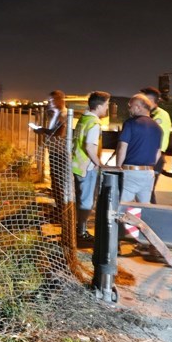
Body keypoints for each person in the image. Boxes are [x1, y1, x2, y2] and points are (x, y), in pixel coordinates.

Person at [71, 91, 110, 240]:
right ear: (99, 106)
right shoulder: (94, 123)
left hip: (78, 165)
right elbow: (89, 147)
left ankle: (79, 228)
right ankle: (81, 232)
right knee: (87, 201)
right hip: (86, 167)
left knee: (81, 199)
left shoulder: (83, 119)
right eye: (106, 105)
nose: (107, 109)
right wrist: (100, 164)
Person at [116, 93, 163, 203]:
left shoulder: (130, 124)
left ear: (137, 107)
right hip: (148, 174)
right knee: (144, 207)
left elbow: (122, 147)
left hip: (131, 172)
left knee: (123, 207)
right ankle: (139, 220)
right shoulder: (158, 128)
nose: (129, 109)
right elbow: (158, 153)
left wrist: (118, 167)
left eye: (130, 106)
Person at [34, 90, 68, 209]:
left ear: (60, 100)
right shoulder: (56, 114)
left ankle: (61, 210)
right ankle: (58, 207)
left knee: (59, 181)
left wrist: (42, 130)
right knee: (55, 181)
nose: (50, 103)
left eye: (52, 100)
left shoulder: (63, 115)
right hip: (55, 151)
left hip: (59, 153)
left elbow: (59, 132)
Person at [140, 87, 171, 203]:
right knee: (145, 191)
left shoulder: (160, 115)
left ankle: (150, 218)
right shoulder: (151, 114)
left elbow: (152, 137)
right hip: (149, 156)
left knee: (147, 191)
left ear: (150, 100)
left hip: (153, 157)